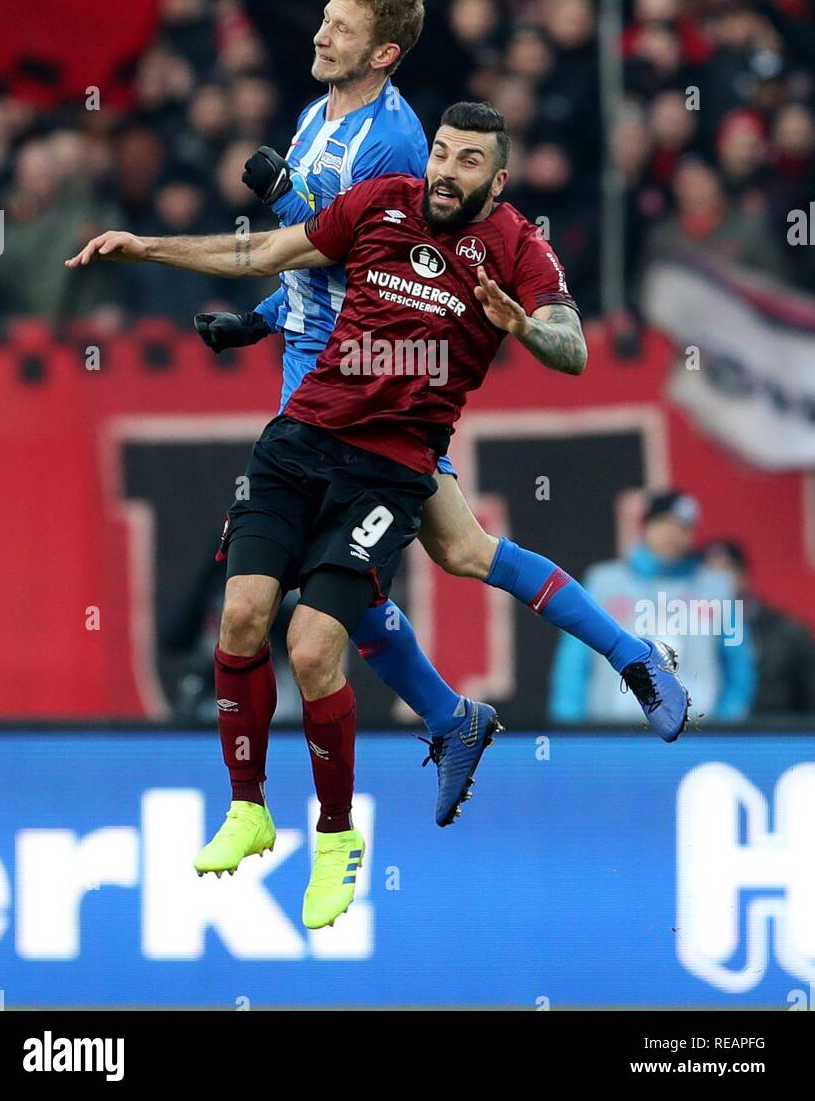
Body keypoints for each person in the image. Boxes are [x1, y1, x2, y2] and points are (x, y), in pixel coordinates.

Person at [67, 103, 691, 929]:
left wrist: (526, 330)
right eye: (442, 152)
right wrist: (150, 247)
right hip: (301, 434)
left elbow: (570, 348)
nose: (446, 170)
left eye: (469, 161)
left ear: (497, 182)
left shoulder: (514, 247)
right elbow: (271, 255)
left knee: (349, 620)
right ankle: (296, 787)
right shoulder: (380, 198)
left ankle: (600, 671)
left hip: (394, 464)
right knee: (259, 610)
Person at [192, 0, 689, 842]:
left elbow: (365, 264)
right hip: (324, 374)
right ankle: (512, 698)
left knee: (388, 570)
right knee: (449, 553)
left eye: (337, 25)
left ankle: (538, 689)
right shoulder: (322, 115)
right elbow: (333, 250)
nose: (319, 34)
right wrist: (260, 317)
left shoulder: (396, 147)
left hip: (371, 387)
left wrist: (279, 231)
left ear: (381, 51)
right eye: (322, 15)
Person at [549, 491, 753, 726]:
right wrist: (569, 730)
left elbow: (739, 666)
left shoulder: (718, 589)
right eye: (664, 523)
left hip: (696, 737)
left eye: (682, 526)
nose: (672, 534)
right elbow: (574, 660)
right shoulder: (604, 583)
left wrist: (726, 728)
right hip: (610, 734)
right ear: (645, 526)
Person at [703, 539, 815, 717]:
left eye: (726, 572)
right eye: (710, 576)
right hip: (713, 736)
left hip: (779, 737)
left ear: (744, 576)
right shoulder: (695, 632)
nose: (718, 585)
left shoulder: (788, 632)